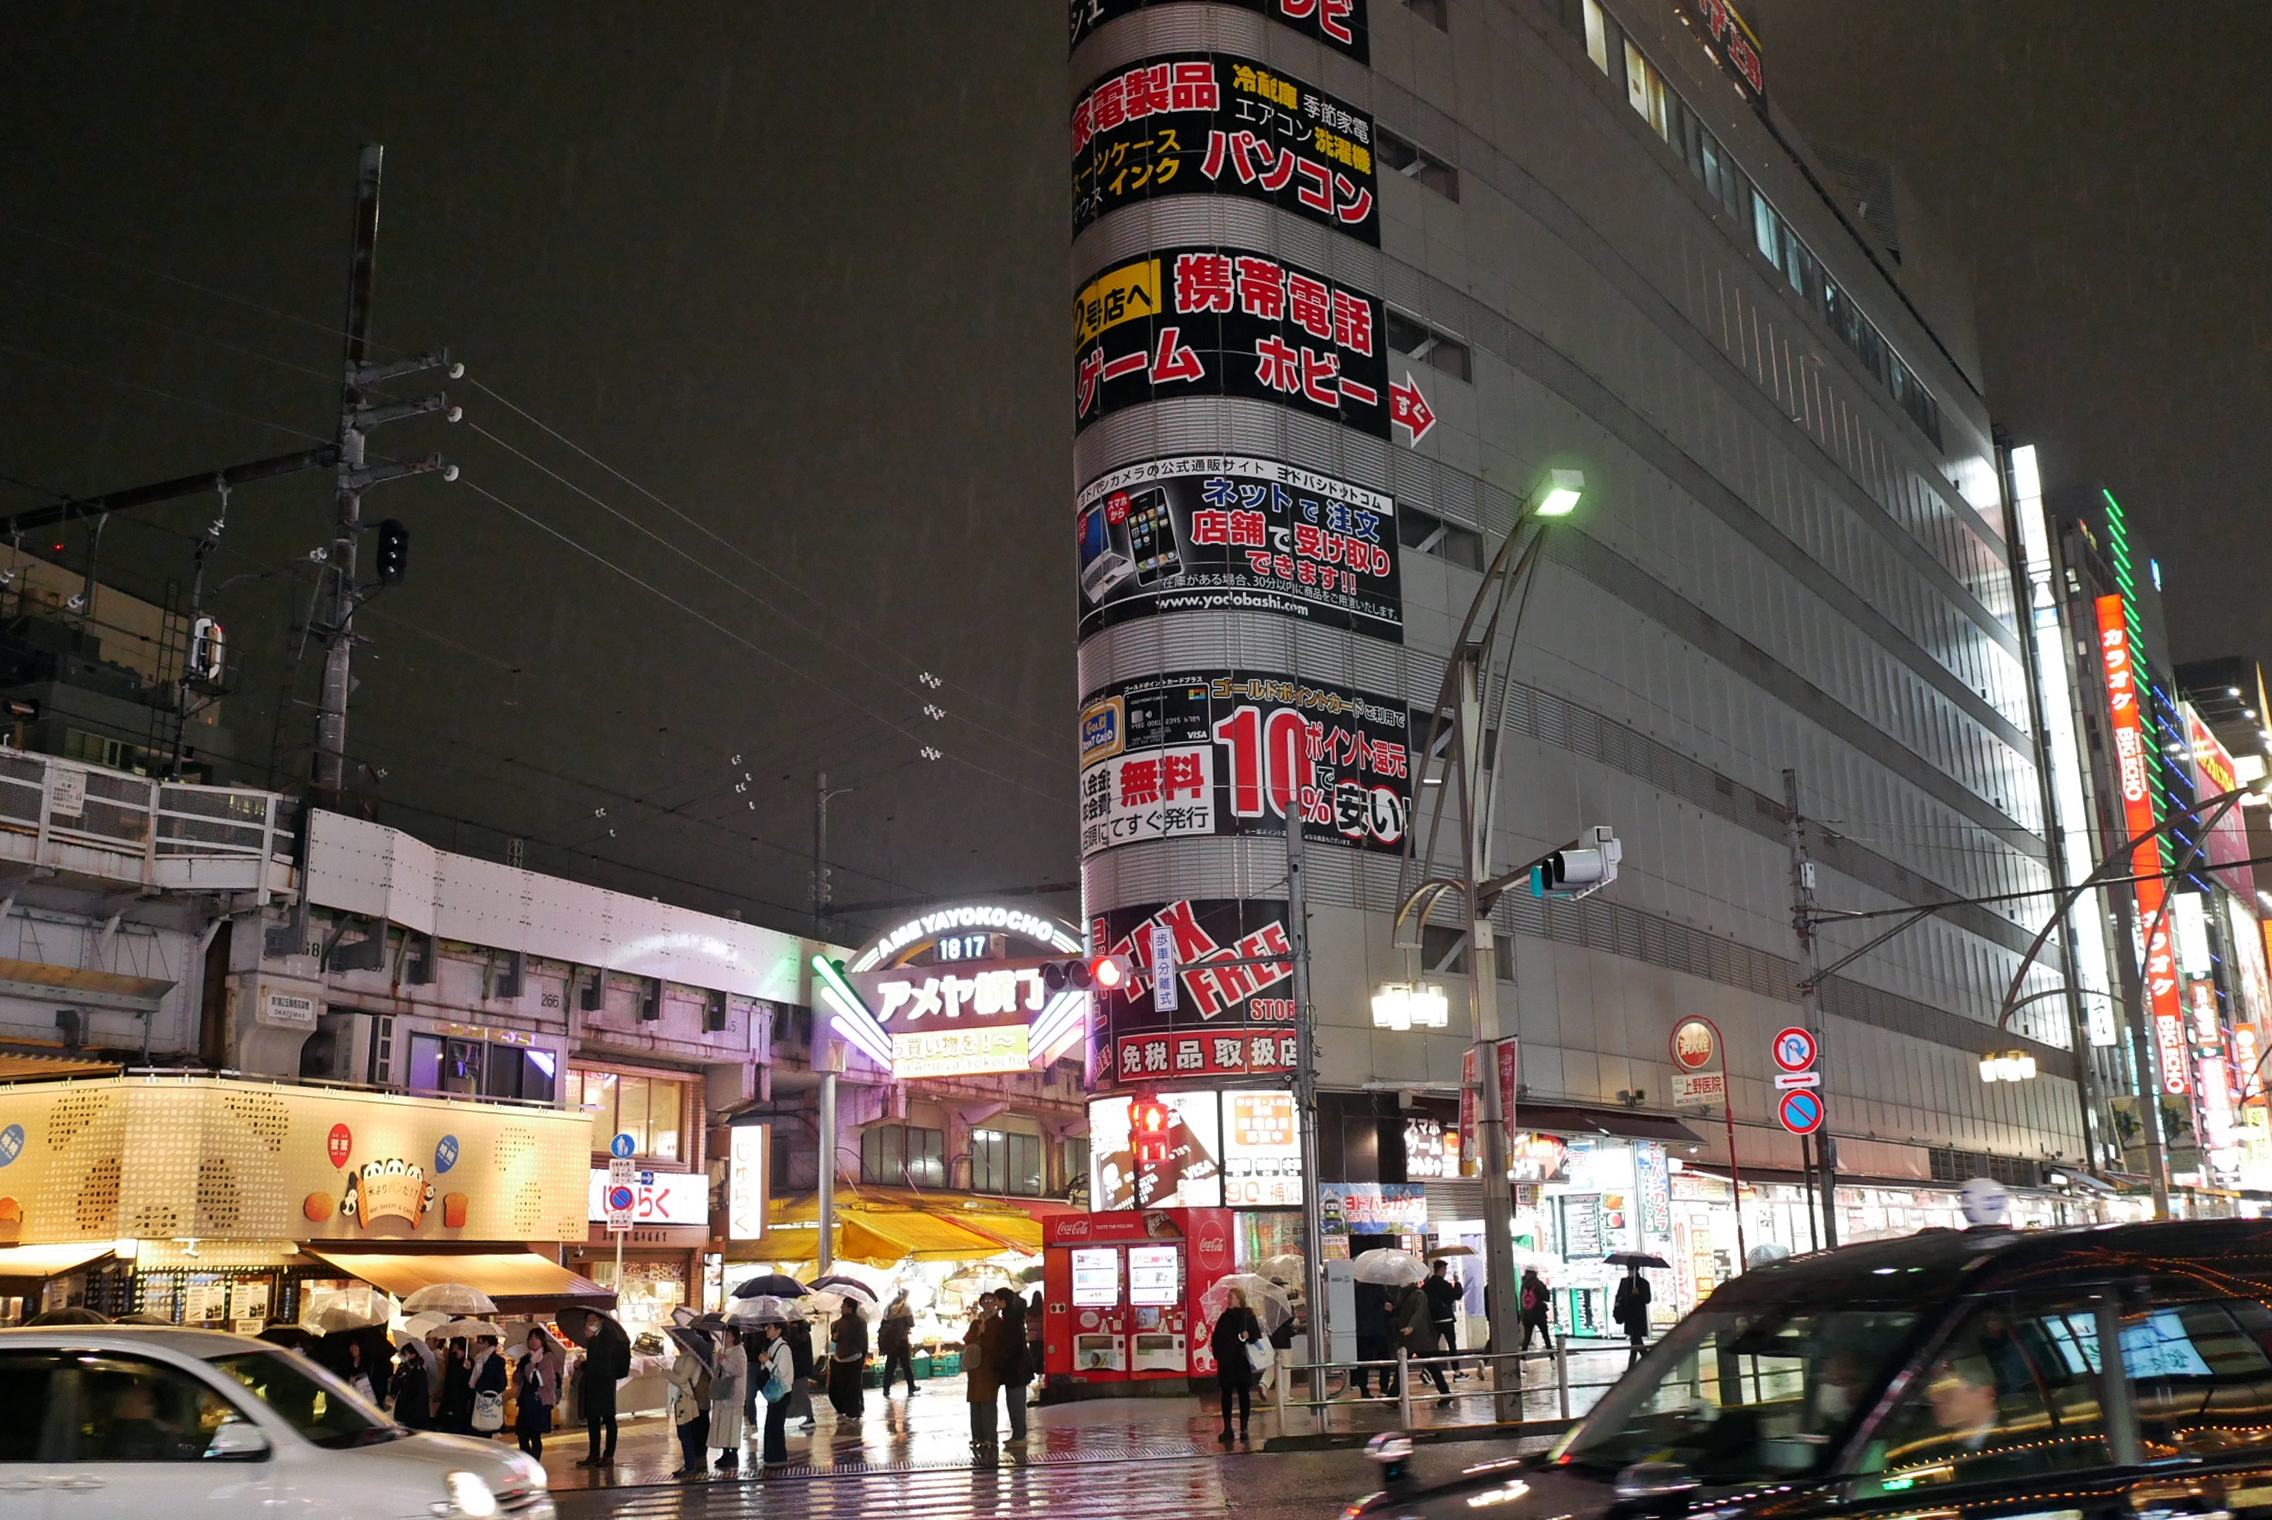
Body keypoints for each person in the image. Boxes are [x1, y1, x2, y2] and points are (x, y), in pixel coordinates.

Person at [1211, 1286, 1264, 1445]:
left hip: (1241, 1361)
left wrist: (1249, 1336)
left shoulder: (1248, 1317)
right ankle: (1228, 1428)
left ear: (1239, 1300)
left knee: (1243, 1394)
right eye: (1228, 1297)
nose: (1228, 1300)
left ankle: (1244, 1428)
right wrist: (1218, 1353)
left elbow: (1256, 1337)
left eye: (1231, 1297)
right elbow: (1217, 1338)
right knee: (1226, 1395)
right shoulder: (1224, 1317)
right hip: (1227, 1361)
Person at [576, 1313, 631, 1468]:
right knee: (593, 1419)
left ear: (601, 1321)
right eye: (588, 1320)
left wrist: (592, 1340)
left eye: (593, 1320)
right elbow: (595, 1361)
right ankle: (594, 1453)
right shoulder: (594, 1338)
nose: (590, 1323)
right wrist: (583, 1365)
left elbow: (606, 1358)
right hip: (593, 1382)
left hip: (605, 1383)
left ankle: (608, 1454)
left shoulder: (608, 1336)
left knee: (608, 1418)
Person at [664, 1337, 712, 1480]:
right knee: (683, 1433)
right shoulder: (684, 1358)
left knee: (686, 1433)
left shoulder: (690, 1359)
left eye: (678, 1342)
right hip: (681, 1399)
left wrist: (667, 1374)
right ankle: (689, 1464)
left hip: (688, 1400)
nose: (677, 1345)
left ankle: (691, 1466)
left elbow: (681, 1379)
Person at [1396, 1280, 1450, 1399]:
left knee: (1431, 1366)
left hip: (1420, 1337)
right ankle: (1393, 1395)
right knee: (1402, 1365)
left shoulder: (1419, 1294)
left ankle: (1445, 1392)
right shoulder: (1403, 1294)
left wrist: (1411, 1326)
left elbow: (1419, 1313)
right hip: (1409, 1337)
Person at [513, 1329, 561, 1458]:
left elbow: (545, 1381)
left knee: (535, 1435)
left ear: (542, 1341)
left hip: (539, 1401)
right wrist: (519, 1369)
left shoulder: (547, 1358)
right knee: (522, 1434)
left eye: (536, 1338)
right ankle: (528, 1460)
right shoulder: (527, 1358)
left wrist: (530, 1367)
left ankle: (534, 1462)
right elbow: (518, 1380)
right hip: (526, 1400)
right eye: (530, 1338)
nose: (532, 1341)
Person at [994, 1288, 1032, 1444]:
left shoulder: (1011, 1320)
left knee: (1016, 1404)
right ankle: (1017, 1435)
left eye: (996, 1300)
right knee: (1014, 1403)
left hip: (1016, 1369)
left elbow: (1011, 1347)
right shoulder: (1012, 1316)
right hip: (1017, 1368)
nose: (995, 1303)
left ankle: (1019, 1437)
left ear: (1004, 1301)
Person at [757, 1320, 796, 1471]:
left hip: (782, 1392)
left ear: (778, 1330)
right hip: (775, 1392)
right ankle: (772, 1458)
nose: (767, 1329)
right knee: (771, 1425)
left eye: (770, 1327)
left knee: (775, 1426)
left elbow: (781, 1372)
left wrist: (767, 1362)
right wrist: (764, 1361)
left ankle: (778, 1458)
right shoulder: (772, 1346)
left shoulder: (784, 1348)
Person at [963, 1299, 999, 1451]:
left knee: (988, 1404)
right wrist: (978, 1331)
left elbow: (995, 1345)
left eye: (991, 1301)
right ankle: (977, 1436)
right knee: (975, 1404)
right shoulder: (977, 1323)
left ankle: (990, 1437)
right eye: (985, 1301)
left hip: (989, 1370)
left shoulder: (998, 1323)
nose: (988, 1304)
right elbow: (966, 1339)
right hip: (975, 1370)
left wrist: (984, 1335)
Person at [1352, 1275, 1397, 1397]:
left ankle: (1364, 1389)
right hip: (1379, 1330)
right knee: (1384, 1360)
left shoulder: (1356, 1290)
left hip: (1362, 1331)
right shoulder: (1379, 1289)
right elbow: (1390, 1307)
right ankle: (1384, 1387)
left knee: (1363, 1362)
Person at [710, 1327, 746, 1471]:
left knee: (733, 1425)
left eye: (729, 1335)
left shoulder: (739, 1351)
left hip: (734, 1394)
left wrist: (725, 1362)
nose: (726, 1337)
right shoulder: (723, 1351)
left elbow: (739, 1370)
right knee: (723, 1425)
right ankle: (725, 1452)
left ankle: (733, 1454)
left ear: (734, 1337)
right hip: (722, 1393)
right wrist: (718, 1360)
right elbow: (717, 1370)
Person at [827, 1300, 869, 1419]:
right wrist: (835, 1337)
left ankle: (853, 1411)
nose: (841, 1308)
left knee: (852, 1387)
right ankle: (843, 1408)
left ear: (850, 1308)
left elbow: (863, 1341)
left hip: (854, 1358)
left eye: (843, 1306)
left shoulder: (859, 1322)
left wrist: (863, 1356)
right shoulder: (837, 1323)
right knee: (838, 1387)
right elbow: (834, 1339)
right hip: (840, 1358)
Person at [1424, 1261, 1463, 1380]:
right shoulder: (1445, 1285)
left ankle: (1427, 1370)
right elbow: (1457, 1295)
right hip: (1446, 1319)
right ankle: (1456, 1372)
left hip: (1433, 1320)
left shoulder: (1427, 1286)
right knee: (1452, 1345)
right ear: (1441, 1270)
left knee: (1432, 1347)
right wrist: (1457, 1282)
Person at [879, 1290, 918, 1397]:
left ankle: (886, 1389)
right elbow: (911, 1323)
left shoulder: (889, 1306)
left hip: (891, 1340)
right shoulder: (906, 1307)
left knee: (890, 1365)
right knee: (906, 1364)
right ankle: (911, 1387)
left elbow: (884, 1320)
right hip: (902, 1340)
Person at [467, 1335, 507, 1436]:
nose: (478, 1345)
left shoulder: (497, 1360)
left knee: (486, 1433)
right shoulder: (478, 1359)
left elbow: (501, 1383)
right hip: (477, 1401)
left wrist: (483, 1390)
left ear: (487, 1344)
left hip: (489, 1403)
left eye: (480, 1342)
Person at [1613, 1265, 1653, 1365]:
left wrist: (1638, 1294)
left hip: (1638, 1318)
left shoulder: (1643, 1283)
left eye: (1632, 1269)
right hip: (1628, 1316)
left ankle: (1637, 1364)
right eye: (1629, 1269)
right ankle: (1646, 1361)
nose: (1630, 1271)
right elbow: (1618, 1297)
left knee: (1635, 1340)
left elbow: (1647, 1299)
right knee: (1635, 1341)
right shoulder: (1624, 1282)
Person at [785, 1313, 818, 1432]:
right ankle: (805, 1417)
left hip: (801, 1369)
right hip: (796, 1369)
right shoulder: (796, 1332)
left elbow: (796, 1344)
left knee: (802, 1394)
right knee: (797, 1394)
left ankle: (810, 1418)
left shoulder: (803, 1333)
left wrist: (793, 1330)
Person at [392, 1341, 432, 1430]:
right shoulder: (405, 1370)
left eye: (406, 1354)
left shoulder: (418, 1371)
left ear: (413, 1355)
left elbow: (420, 1394)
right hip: (405, 1412)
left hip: (414, 1415)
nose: (403, 1358)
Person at [1518, 1267, 1554, 1351]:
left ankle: (1522, 1358)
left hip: (1526, 1315)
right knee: (1545, 1336)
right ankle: (1552, 1357)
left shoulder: (1523, 1284)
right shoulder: (1538, 1284)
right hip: (1539, 1315)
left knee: (1527, 1338)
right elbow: (1546, 1297)